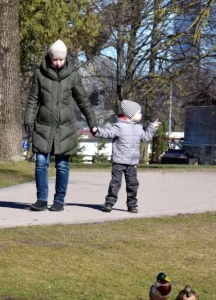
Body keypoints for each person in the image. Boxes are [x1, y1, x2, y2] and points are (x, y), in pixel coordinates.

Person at [24, 40, 98, 212]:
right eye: (54, 59)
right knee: (41, 162)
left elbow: (83, 101)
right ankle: (41, 199)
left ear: (65, 59)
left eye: (60, 60)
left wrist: (92, 123)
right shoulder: (39, 74)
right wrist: (28, 120)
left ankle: (59, 200)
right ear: (50, 57)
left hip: (65, 127)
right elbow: (33, 99)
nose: (57, 62)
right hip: (43, 125)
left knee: (62, 165)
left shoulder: (73, 75)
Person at [94, 100, 159, 213]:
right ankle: (109, 203)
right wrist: (96, 131)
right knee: (115, 183)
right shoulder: (119, 126)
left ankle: (132, 205)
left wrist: (152, 127)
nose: (141, 115)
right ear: (130, 115)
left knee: (133, 184)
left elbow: (146, 138)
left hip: (132, 163)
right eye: (139, 113)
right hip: (119, 161)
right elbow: (107, 133)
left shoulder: (138, 128)